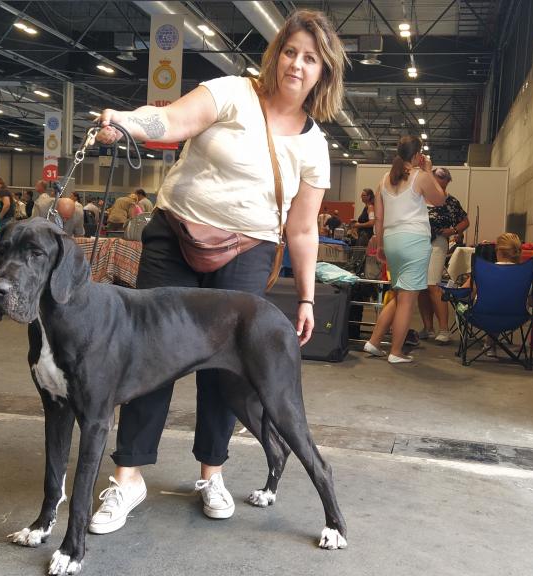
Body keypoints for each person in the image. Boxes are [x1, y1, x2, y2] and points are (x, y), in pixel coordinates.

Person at [87, 8, 345, 534]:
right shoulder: (231, 91)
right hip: (174, 238)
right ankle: (129, 476)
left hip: (247, 253)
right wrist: (130, 121)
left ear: (324, 73)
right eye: (291, 51)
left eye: (310, 58)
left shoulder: (315, 146)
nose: (297, 64)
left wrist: (308, 298)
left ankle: (212, 473)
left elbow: (302, 228)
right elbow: (173, 120)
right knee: (144, 358)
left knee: (227, 373)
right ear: (277, 54)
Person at [363, 135, 447, 364]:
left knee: (400, 293)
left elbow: (379, 218)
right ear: (418, 155)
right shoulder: (420, 176)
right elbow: (440, 200)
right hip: (414, 240)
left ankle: (374, 341)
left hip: (391, 239)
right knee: (408, 298)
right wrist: (428, 170)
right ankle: (397, 352)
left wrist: (380, 244)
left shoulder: (383, 180)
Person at [417, 167, 469, 344]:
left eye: (443, 182)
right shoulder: (419, 197)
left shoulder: (450, 201)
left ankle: (444, 329)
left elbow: (465, 221)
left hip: (437, 243)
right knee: (421, 287)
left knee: (433, 285)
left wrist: (453, 230)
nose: (440, 185)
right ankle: (428, 327)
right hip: (417, 242)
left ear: (447, 182)